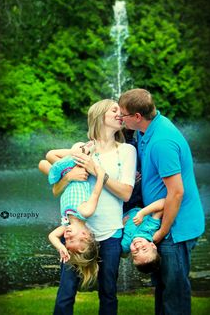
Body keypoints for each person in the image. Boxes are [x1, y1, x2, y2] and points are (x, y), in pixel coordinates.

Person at [43, 99, 137, 315]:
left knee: (108, 292)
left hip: (110, 233)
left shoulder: (126, 151)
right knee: (66, 292)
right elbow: (53, 173)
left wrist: (96, 171)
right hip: (78, 235)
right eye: (114, 110)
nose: (120, 114)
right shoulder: (84, 149)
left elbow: (126, 192)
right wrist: (68, 176)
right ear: (99, 116)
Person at [118, 88, 205, 315]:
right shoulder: (148, 130)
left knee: (174, 291)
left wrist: (160, 233)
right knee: (163, 286)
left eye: (123, 115)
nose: (120, 118)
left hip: (175, 227)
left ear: (137, 117)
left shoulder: (162, 141)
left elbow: (176, 193)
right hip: (161, 221)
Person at [39, 142, 106, 287]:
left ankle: (83, 148)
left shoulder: (66, 223)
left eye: (66, 241)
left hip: (66, 176)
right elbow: (96, 193)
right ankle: (88, 146)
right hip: (79, 170)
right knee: (53, 154)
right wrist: (101, 176)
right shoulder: (85, 212)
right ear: (85, 236)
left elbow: (52, 236)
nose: (66, 237)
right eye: (71, 240)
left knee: (43, 163)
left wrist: (61, 248)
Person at [121, 198, 165, 273]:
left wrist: (120, 226)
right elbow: (164, 202)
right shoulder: (150, 229)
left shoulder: (125, 245)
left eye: (135, 253)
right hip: (138, 201)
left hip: (122, 208)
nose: (138, 247)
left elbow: (122, 254)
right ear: (152, 245)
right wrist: (142, 213)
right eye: (144, 249)